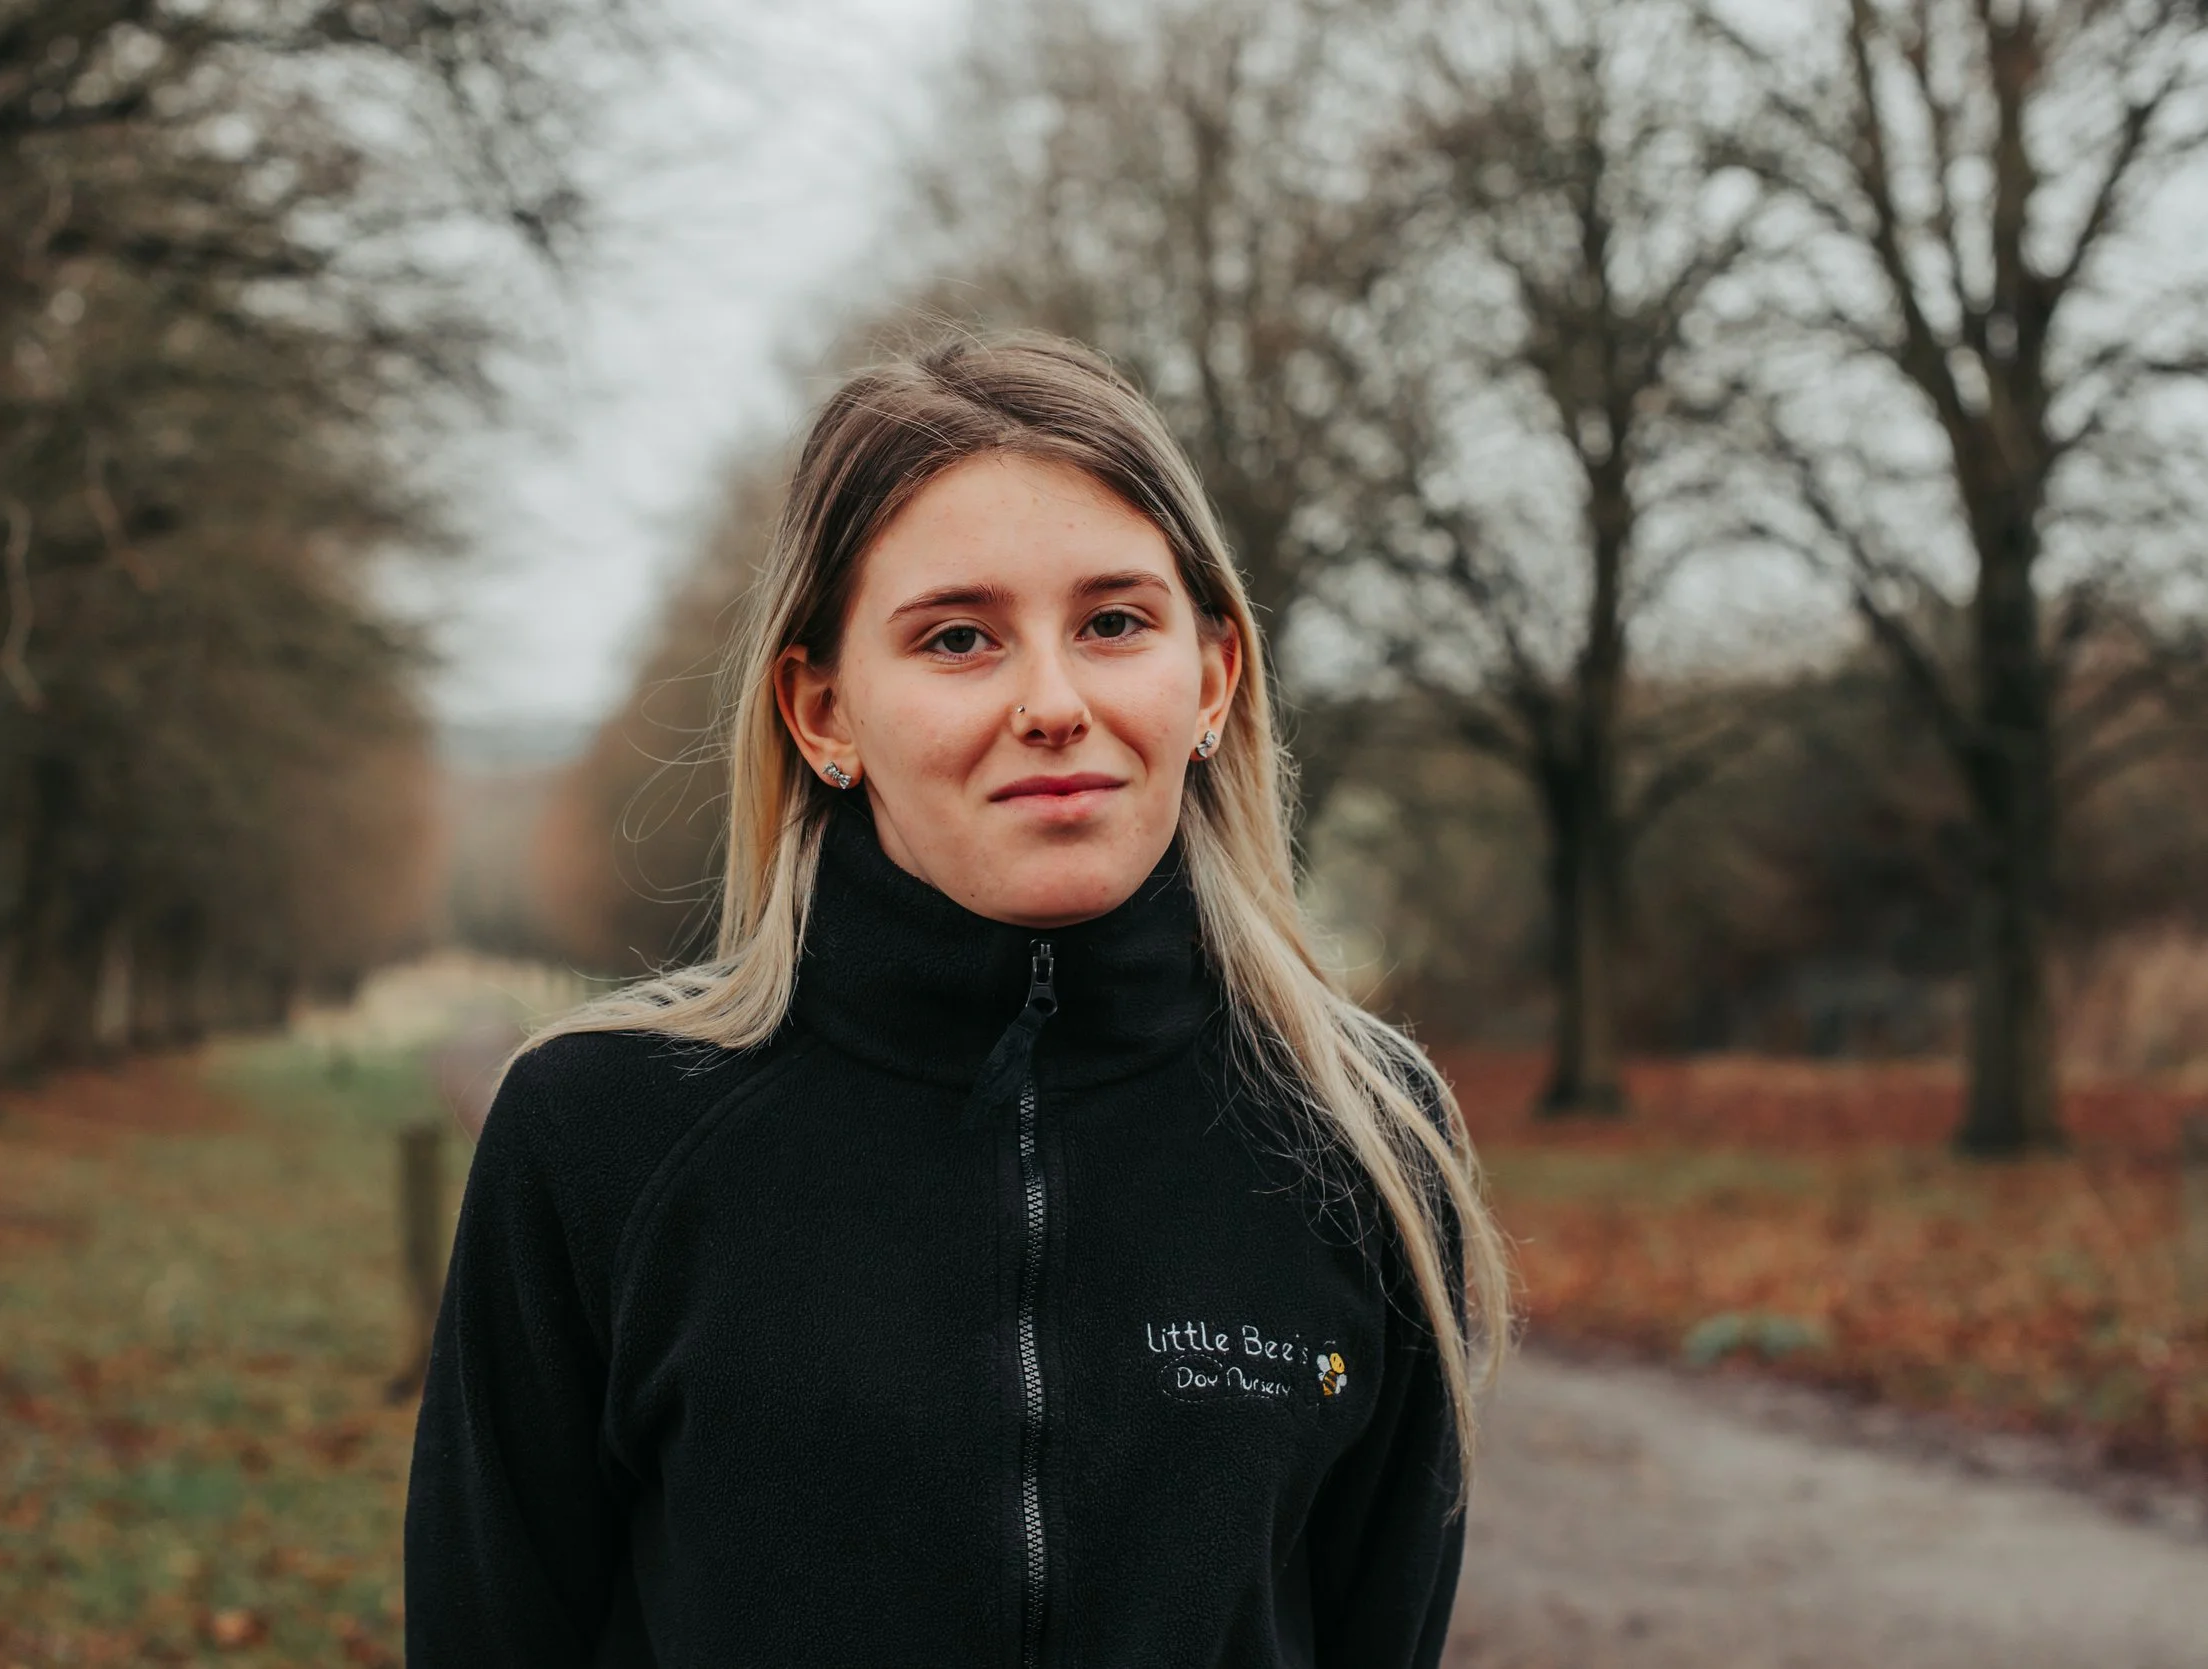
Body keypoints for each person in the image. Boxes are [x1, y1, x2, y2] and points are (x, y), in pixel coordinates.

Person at [404, 332, 1511, 1666]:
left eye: (1114, 622)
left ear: (1210, 678)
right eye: (959, 639)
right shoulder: (599, 1132)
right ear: (823, 715)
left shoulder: (1365, 1137)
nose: (1054, 702)